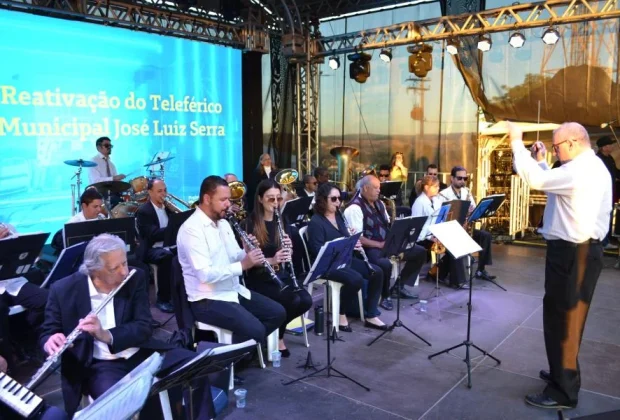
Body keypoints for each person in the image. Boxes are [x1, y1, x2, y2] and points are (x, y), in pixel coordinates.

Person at [39, 234, 214, 418]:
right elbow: (48, 331)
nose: (124, 271)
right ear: (94, 270)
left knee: (197, 366)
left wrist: (106, 334)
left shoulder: (134, 276)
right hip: (100, 365)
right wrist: (50, 341)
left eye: (124, 262)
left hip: (141, 352)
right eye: (115, 268)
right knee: (119, 404)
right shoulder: (63, 289)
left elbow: (144, 327)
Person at [507, 121, 611, 409]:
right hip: (575, 253)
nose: (554, 151)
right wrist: (541, 162)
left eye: (556, 146)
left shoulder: (580, 171)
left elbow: (538, 183)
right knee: (563, 319)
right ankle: (561, 374)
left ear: (574, 142)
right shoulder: (586, 167)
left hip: (573, 254)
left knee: (564, 322)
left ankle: (563, 392)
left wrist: (517, 142)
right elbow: (554, 184)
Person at [177, 176, 286, 344]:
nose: (228, 204)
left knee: (278, 313)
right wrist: (244, 264)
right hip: (207, 299)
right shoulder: (191, 230)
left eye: (228, 199)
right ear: (207, 199)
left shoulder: (224, 223)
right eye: (223, 199)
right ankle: (230, 359)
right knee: (256, 330)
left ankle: (241, 351)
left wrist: (247, 252)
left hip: (233, 290)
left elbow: (235, 255)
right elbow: (205, 275)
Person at [242, 180, 313, 355]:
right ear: (260, 199)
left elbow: (288, 255)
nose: (275, 204)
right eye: (270, 199)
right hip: (258, 277)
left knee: (306, 300)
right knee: (291, 300)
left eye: (278, 199)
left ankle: (275, 331)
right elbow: (247, 261)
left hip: (280, 275)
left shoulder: (282, 220)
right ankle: (278, 337)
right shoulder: (249, 224)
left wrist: (289, 247)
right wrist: (273, 260)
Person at [307, 183, 386, 330]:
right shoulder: (316, 222)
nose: (338, 202)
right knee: (355, 279)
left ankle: (371, 314)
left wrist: (352, 240)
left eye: (340, 198)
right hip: (327, 264)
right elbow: (317, 251)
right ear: (323, 200)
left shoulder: (339, 216)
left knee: (377, 272)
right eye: (334, 199)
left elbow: (345, 239)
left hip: (343, 259)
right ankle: (340, 312)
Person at [344, 175, 426, 310]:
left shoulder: (380, 203)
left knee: (419, 252)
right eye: (375, 188)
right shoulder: (354, 209)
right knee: (384, 264)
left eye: (379, 188)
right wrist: (379, 245)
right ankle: (385, 295)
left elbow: (387, 224)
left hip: (386, 243)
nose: (378, 191)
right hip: (368, 248)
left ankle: (398, 286)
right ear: (365, 188)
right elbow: (358, 238)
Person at [0, 223, 49, 371]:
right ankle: (8, 360)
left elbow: (25, 258)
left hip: (13, 281)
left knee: (47, 300)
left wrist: (34, 252)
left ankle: (28, 341)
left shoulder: (7, 227)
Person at [436, 166, 496, 282]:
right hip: (450, 232)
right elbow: (441, 217)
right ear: (452, 178)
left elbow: (473, 209)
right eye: (459, 178)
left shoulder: (467, 192)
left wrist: (472, 212)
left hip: (465, 230)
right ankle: (457, 278)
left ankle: (481, 270)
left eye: (465, 178)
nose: (462, 181)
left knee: (485, 236)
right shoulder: (443, 195)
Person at [135, 179, 175, 313]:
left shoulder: (169, 208)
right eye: (159, 191)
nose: (163, 194)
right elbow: (153, 235)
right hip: (152, 249)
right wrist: (173, 227)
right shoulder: (143, 211)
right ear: (150, 192)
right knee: (166, 257)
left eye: (165, 191)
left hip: (169, 245)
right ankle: (163, 299)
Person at [595, 136, 619, 249]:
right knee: (601, 215)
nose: (612, 146)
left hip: (610, 192)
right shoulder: (597, 160)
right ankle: (602, 241)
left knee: (608, 215)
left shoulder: (609, 158)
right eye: (609, 145)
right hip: (600, 194)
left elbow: (615, 172)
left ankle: (606, 239)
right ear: (603, 148)